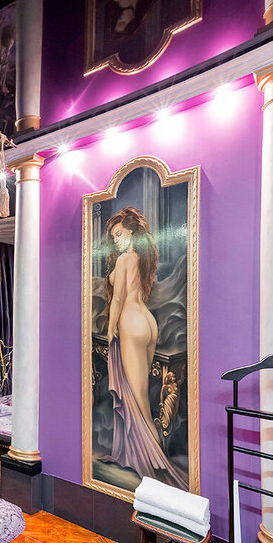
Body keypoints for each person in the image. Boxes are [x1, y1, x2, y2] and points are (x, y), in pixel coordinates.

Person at [104, 206, 184, 487]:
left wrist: (110, 327)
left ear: (131, 232)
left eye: (119, 234)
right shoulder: (141, 257)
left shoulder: (126, 258)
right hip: (147, 322)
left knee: (138, 399)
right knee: (141, 396)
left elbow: (118, 298)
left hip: (130, 321)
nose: (116, 240)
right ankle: (143, 457)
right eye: (113, 236)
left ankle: (155, 465)